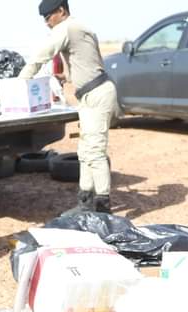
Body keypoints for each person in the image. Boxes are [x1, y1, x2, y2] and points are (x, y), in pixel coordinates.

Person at [21, 0, 117, 214]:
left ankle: (103, 208)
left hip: (96, 94)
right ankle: (85, 203)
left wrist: (20, 81)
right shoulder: (80, 27)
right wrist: (65, 76)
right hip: (91, 93)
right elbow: (87, 62)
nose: (46, 23)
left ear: (61, 11)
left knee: (95, 151)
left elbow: (41, 55)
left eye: (48, 17)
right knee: (84, 151)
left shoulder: (66, 27)